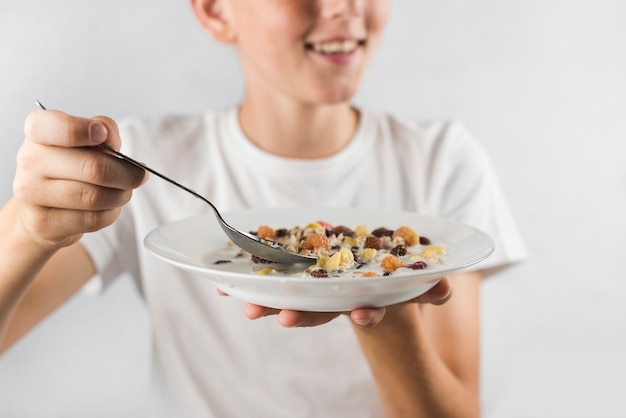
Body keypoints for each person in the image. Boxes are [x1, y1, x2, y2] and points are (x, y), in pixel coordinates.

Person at [0, 1, 526, 417]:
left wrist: (383, 305)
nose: (345, 6)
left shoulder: (442, 161)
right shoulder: (141, 167)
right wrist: (29, 229)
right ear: (215, 10)